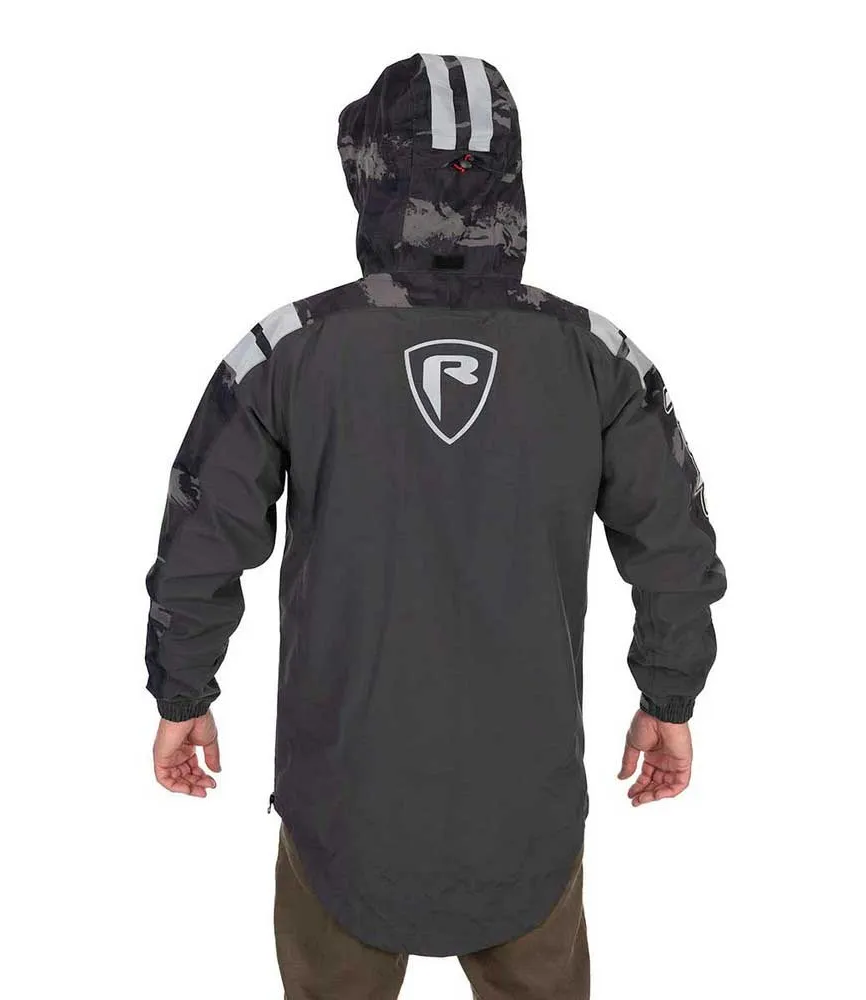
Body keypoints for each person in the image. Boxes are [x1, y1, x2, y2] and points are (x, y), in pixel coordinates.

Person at [144, 53, 726, 1000]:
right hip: (526, 807)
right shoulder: (596, 358)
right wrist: (669, 699)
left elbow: (199, 543)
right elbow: (675, 552)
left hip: (343, 805)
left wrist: (182, 694)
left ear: (372, 171)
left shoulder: (292, 350)